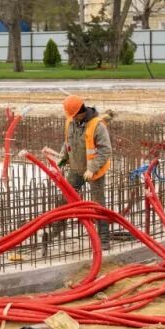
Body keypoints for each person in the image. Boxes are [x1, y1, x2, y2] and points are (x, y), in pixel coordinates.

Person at [44, 95, 113, 246]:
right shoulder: (71, 121)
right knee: (65, 200)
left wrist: (92, 169)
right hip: (76, 169)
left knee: (98, 204)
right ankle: (55, 232)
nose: (70, 118)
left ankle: (104, 239)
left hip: (94, 171)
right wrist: (63, 156)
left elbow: (105, 150)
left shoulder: (97, 125)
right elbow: (68, 140)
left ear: (78, 113)